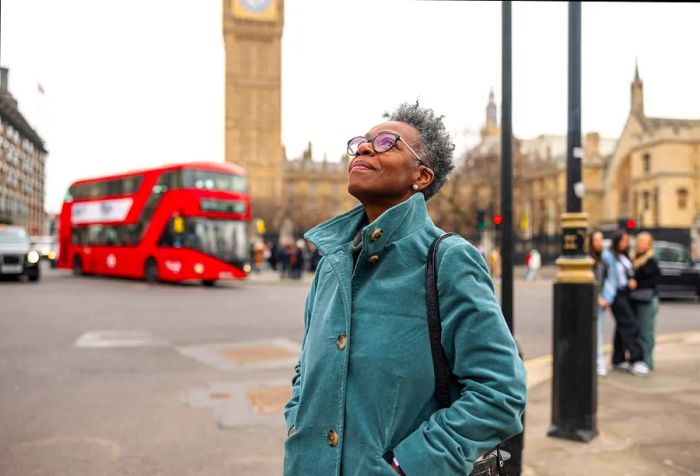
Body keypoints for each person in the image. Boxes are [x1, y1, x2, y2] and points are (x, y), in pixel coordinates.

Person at [283, 102, 526, 475]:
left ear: (422, 176)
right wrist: (297, 421)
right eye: (362, 142)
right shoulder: (331, 263)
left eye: (385, 143)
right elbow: (307, 368)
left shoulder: (446, 260)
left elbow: (500, 392)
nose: (364, 148)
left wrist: (406, 466)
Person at [602, 232, 648, 376]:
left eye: (627, 241)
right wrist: (606, 297)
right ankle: (636, 359)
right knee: (630, 325)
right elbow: (607, 278)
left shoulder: (623, 256)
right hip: (616, 295)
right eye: (623, 241)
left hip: (626, 294)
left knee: (622, 327)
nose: (626, 244)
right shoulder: (608, 257)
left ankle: (618, 359)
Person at [630, 232, 661, 371]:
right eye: (640, 241)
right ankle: (638, 359)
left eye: (645, 242)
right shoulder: (634, 258)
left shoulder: (651, 261)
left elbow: (654, 281)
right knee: (637, 331)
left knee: (646, 332)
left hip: (647, 300)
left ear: (649, 245)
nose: (641, 244)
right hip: (636, 299)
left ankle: (647, 361)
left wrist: (636, 283)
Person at [589, 230, 613, 376]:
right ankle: (597, 363)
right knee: (593, 334)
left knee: (598, 333)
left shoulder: (604, 259)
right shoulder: (588, 259)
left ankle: (599, 363)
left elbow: (608, 280)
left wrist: (606, 298)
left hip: (599, 303)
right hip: (591, 301)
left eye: (601, 240)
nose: (599, 243)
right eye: (596, 240)